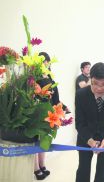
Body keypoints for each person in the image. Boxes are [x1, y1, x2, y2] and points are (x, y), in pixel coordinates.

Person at [34, 52, 70, 180]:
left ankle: (42, 164)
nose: (46, 63)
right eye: (43, 61)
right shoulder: (34, 76)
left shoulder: (49, 76)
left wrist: (64, 107)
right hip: (38, 112)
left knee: (45, 140)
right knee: (36, 140)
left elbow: (56, 98)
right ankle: (36, 168)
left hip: (50, 112)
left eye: (47, 61)